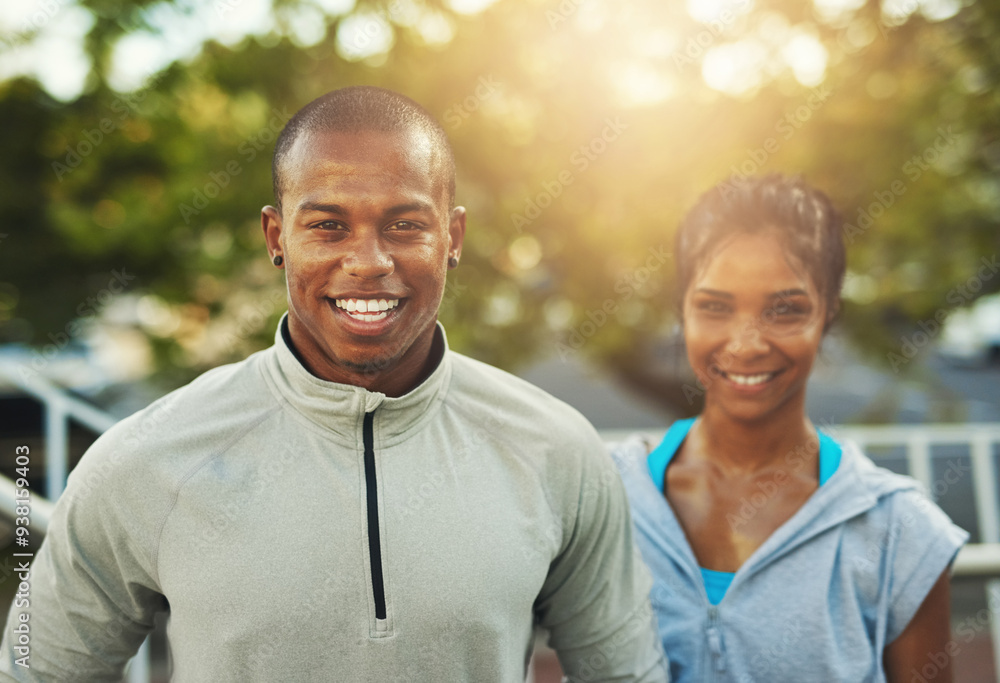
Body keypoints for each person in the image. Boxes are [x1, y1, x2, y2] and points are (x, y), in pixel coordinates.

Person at [0, 87, 667, 682]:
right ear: (276, 236)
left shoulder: (556, 450)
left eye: (405, 224)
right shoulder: (145, 458)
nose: (368, 262)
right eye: (328, 225)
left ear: (453, 236)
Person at [612, 174, 968, 682]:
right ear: (682, 310)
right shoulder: (606, 498)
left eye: (786, 310)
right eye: (714, 306)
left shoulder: (898, 531)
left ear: (829, 312)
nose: (747, 344)